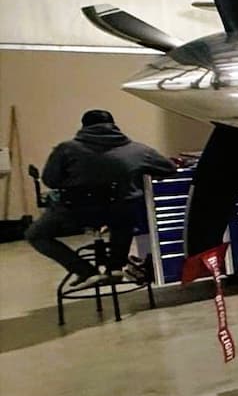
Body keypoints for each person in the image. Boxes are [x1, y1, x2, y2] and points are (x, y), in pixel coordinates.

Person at [28, 109, 176, 291]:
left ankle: (85, 271)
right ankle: (115, 267)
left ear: (83, 127)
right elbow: (169, 168)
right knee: (124, 214)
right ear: (114, 126)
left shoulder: (66, 149)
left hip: (76, 214)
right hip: (121, 214)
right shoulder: (138, 150)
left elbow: (50, 180)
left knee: (36, 234)